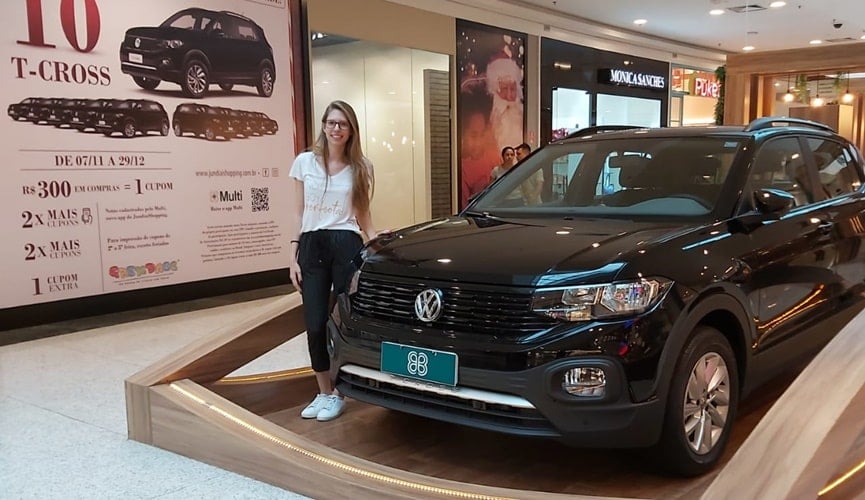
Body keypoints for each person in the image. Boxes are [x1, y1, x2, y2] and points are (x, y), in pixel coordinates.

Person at [288, 100, 381, 422]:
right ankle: (323, 390)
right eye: (331, 122)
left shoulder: (361, 167)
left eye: (342, 124)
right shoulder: (304, 163)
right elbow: (299, 213)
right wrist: (293, 255)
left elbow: (363, 215)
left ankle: (339, 393)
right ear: (324, 125)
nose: (336, 129)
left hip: (346, 245)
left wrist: (375, 246)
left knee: (342, 322)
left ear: (351, 129)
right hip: (312, 244)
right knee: (313, 323)